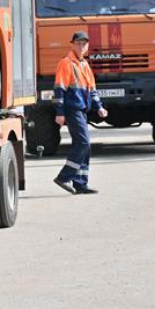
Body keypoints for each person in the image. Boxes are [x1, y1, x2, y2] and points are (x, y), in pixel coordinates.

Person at [52, 31, 107, 195]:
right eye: (79, 43)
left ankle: (81, 183)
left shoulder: (84, 65)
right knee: (83, 143)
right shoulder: (66, 63)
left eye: (84, 44)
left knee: (84, 146)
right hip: (72, 109)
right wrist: (59, 112)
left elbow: (92, 90)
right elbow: (59, 90)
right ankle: (64, 177)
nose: (82, 47)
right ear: (73, 44)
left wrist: (100, 107)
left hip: (81, 110)